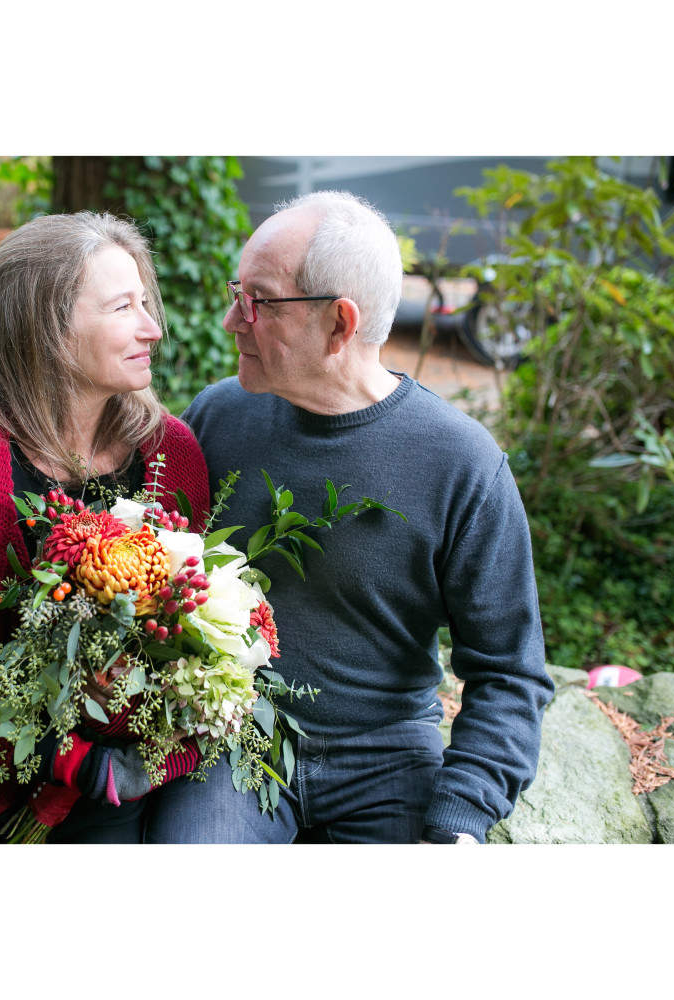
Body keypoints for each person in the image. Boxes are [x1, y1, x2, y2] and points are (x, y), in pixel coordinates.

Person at [146, 191, 553, 844]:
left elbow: (509, 671)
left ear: (339, 325)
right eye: (235, 293)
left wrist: (462, 816)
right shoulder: (217, 419)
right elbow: (152, 572)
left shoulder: (461, 463)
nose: (230, 320)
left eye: (257, 300)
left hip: (388, 755)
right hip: (236, 743)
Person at [0, 212, 212, 843]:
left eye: (145, 303)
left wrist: (140, 753)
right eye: (121, 307)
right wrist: (67, 760)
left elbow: (194, 645)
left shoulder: (170, 452)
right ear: (47, 332)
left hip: (127, 761)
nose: (152, 328)